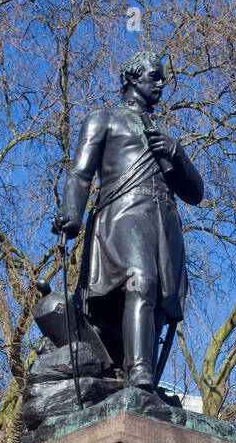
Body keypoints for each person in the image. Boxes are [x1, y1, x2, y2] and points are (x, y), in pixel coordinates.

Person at [52, 50, 204, 388]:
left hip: (164, 221)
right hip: (123, 214)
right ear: (132, 79)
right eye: (154, 76)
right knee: (141, 280)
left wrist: (176, 152)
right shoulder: (104, 118)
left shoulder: (165, 138)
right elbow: (80, 173)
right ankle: (139, 374)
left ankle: (135, 373)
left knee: (161, 303)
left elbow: (196, 193)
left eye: (162, 77)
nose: (161, 84)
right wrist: (72, 217)